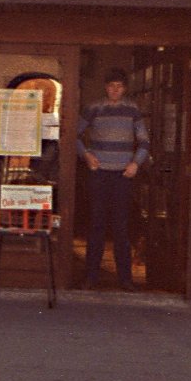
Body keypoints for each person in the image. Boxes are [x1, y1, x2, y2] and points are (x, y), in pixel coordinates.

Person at [77, 67, 149, 291]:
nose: (115, 90)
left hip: (122, 175)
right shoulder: (94, 108)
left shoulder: (133, 110)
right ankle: (91, 277)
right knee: (96, 225)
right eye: (111, 86)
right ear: (105, 88)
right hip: (99, 173)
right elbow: (73, 135)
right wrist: (86, 155)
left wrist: (136, 163)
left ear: (124, 88)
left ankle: (125, 279)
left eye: (119, 86)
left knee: (121, 227)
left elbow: (144, 142)